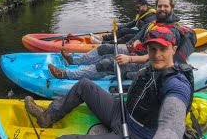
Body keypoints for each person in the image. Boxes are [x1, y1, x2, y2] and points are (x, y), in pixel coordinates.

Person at [25, 26, 192, 139]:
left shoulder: (176, 84)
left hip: (133, 134)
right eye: (153, 49)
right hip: (121, 112)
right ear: (147, 49)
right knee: (84, 85)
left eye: (163, 49)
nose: (157, 54)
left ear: (174, 49)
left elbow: (171, 125)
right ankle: (47, 117)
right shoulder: (151, 66)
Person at [49, 0, 194, 80]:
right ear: (155, 7)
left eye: (165, 6)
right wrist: (133, 42)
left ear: (172, 8)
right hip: (138, 52)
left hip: (148, 64)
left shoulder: (172, 31)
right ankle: (73, 60)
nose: (162, 9)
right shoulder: (154, 23)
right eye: (159, 6)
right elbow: (139, 35)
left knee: (107, 63)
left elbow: (154, 57)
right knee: (105, 48)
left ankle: (65, 75)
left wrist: (129, 58)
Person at [91, 0, 156, 44]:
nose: (137, 9)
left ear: (145, 6)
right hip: (138, 31)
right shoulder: (142, 14)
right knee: (122, 30)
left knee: (127, 36)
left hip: (143, 36)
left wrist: (132, 39)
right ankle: (104, 38)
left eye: (138, 7)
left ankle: (104, 43)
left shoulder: (150, 17)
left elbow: (142, 33)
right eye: (136, 7)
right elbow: (132, 24)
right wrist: (119, 27)